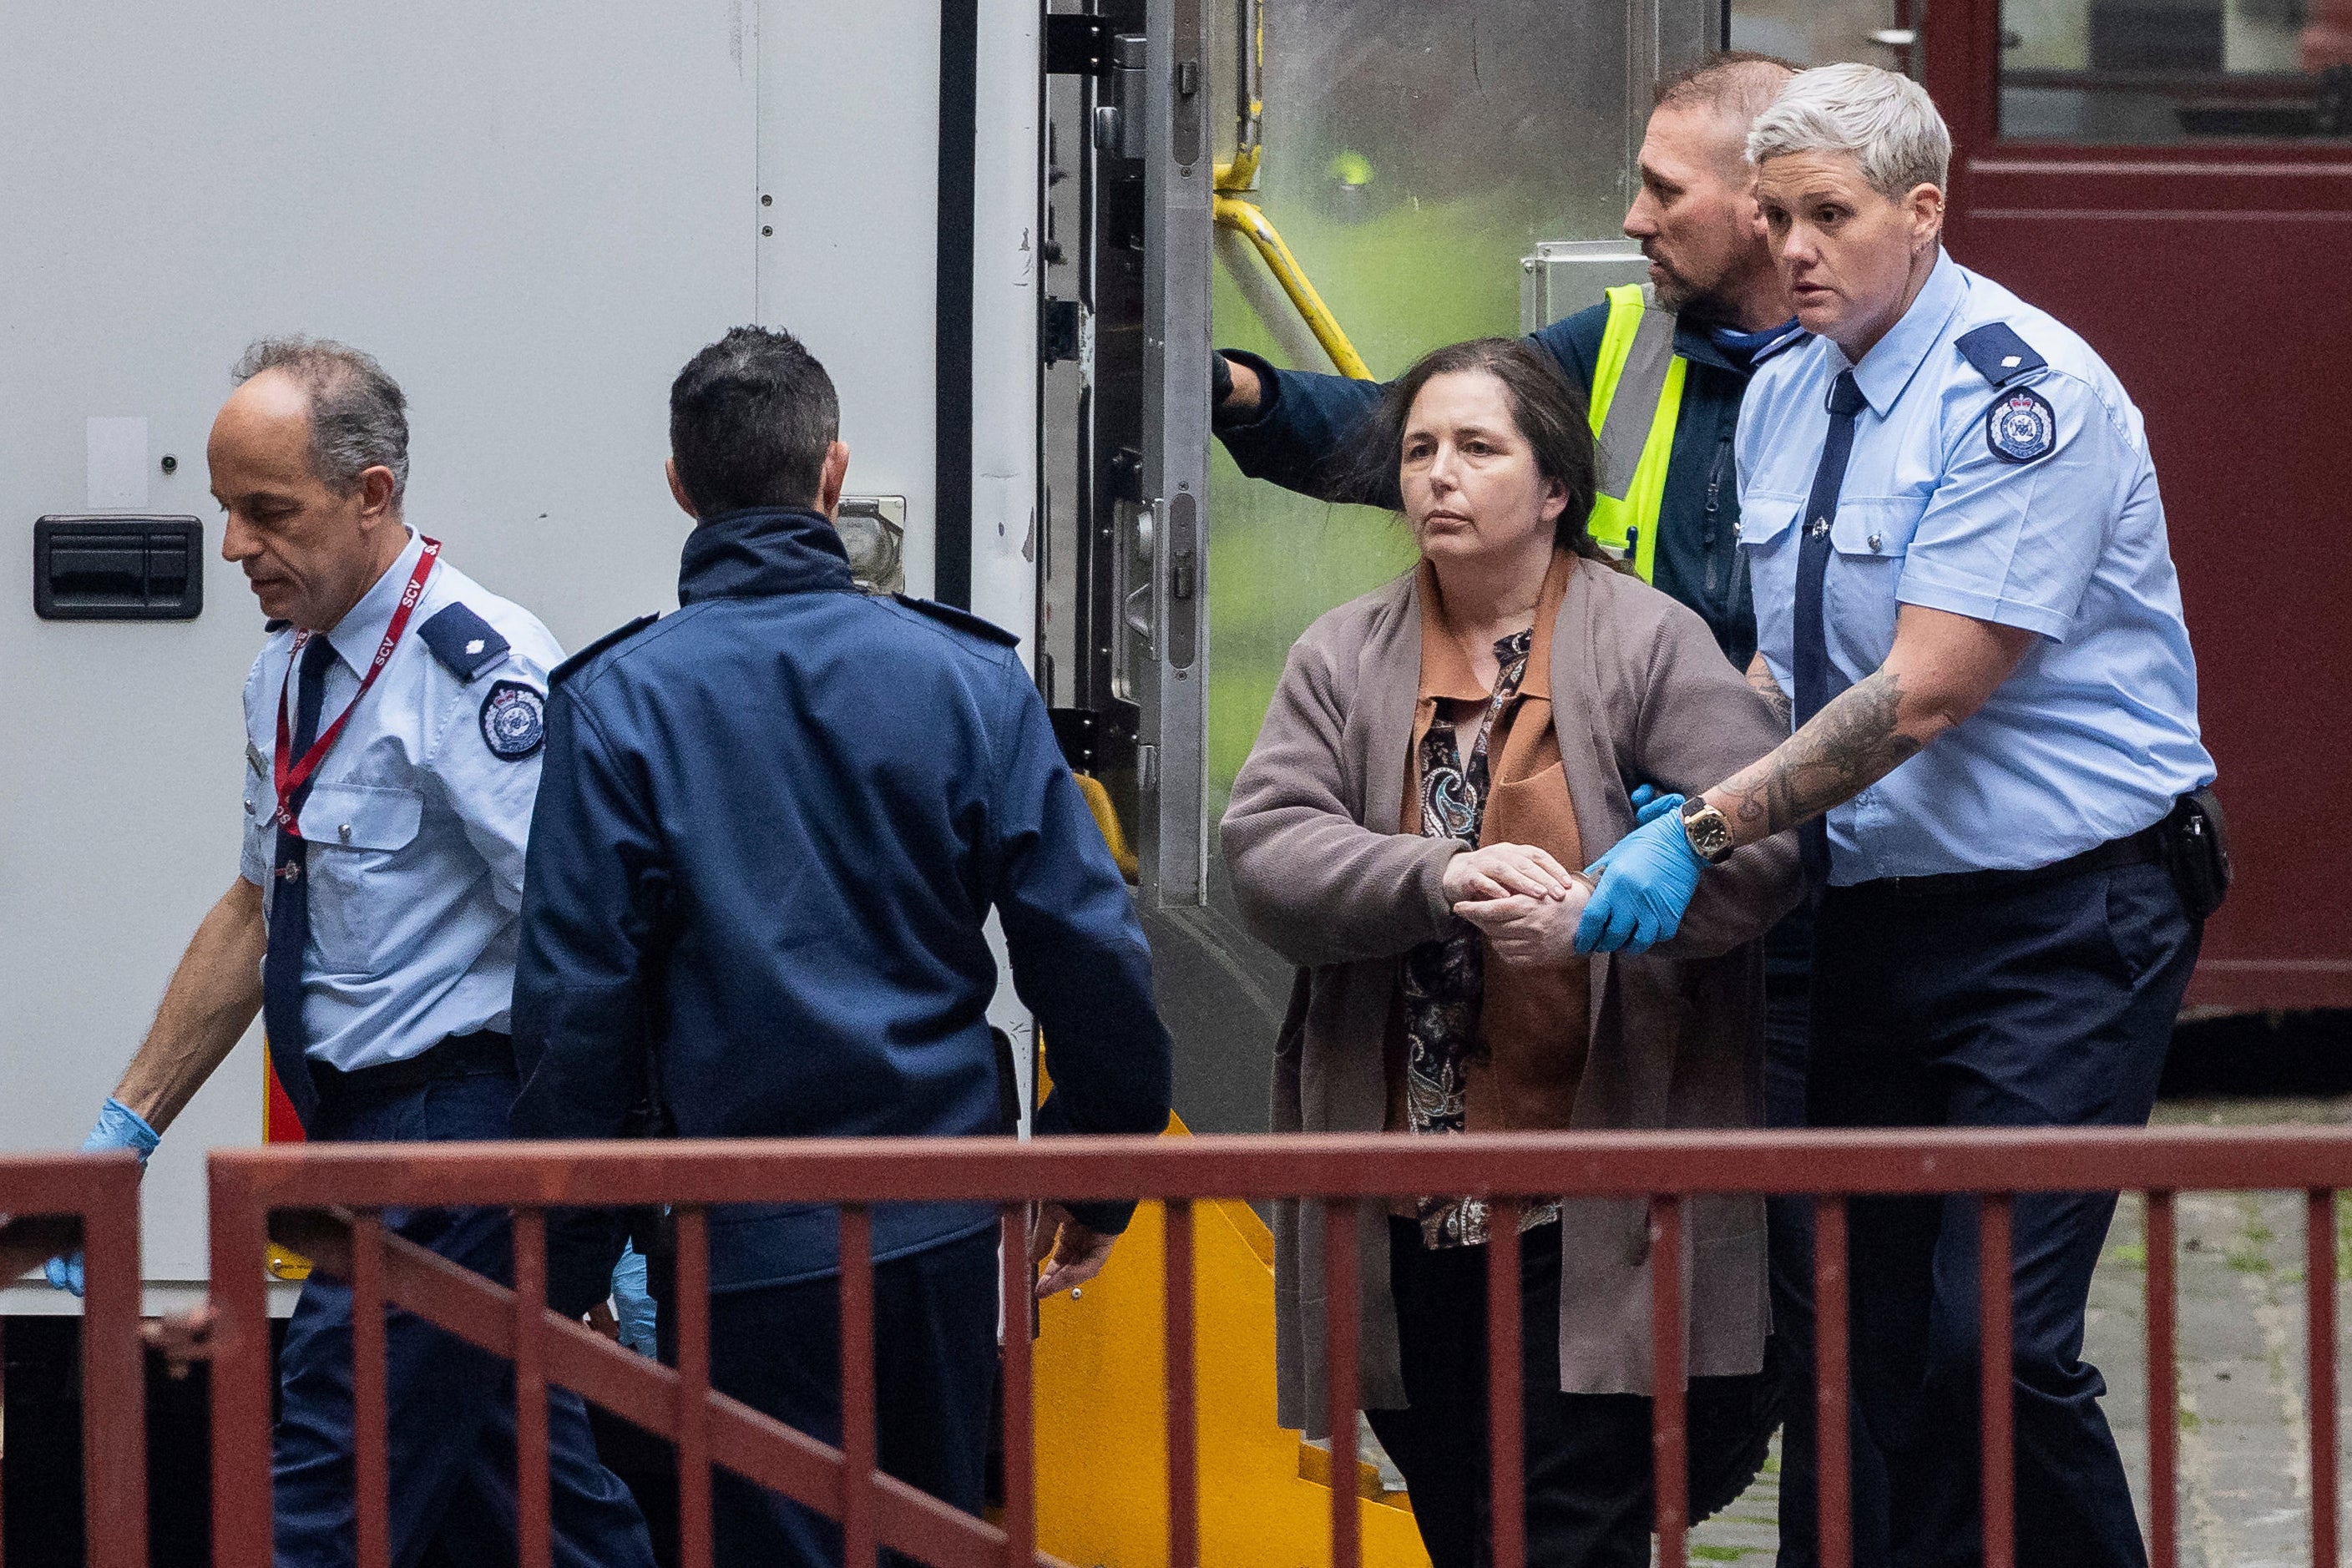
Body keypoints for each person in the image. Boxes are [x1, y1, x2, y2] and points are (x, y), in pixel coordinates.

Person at [1206, 53, 1881, 1565]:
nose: (1630, 219)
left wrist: (1678, 844)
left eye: (1661, 190)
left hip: (1718, 974)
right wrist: (1241, 398)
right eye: (1426, 466)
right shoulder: (1615, 353)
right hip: (1431, 1137)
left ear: (1761, 203)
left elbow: (1806, 794)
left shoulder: (1864, 379)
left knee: (1778, 1329)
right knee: (1479, 1487)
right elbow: (1412, 416)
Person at [1573, 65, 2220, 1568]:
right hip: (1868, 913)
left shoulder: (2021, 394)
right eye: (1773, 215)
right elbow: (1784, 664)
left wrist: (1707, 826)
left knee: (1989, 1337)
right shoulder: (1794, 387)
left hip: (2060, 921)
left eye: (1828, 218)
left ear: (1921, 215)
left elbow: (1923, 691)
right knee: (1858, 1349)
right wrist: (1679, 768)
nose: (1791, 248)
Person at [508, 325, 1176, 1568]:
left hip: (735, 1236)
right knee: (927, 1534)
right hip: (935, 1223)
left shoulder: (620, 703)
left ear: (677, 486)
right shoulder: (967, 681)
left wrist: (574, 1245)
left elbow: (575, 1003)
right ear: (833, 474)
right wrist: (1097, 1169)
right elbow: (1088, 943)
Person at [48, 338, 655, 1568]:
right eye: (225, 513)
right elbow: (256, 907)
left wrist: (621, 1199)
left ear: (371, 494)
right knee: (532, 1486)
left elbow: (589, 939)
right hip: (368, 1137)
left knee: (324, 1485)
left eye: (267, 513)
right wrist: (126, 1129)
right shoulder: (288, 670)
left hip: (450, 1141)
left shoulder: (476, 673)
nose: (234, 550)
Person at [1221, 336, 1803, 1568]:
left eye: (1477, 449)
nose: (1437, 475)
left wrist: (1609, 906)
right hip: (1408, 1204)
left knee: (1560, 1529)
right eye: (1420, 449)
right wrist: (1437, 876)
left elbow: (1765, 850)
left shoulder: (1649, 643)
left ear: (1552, 489)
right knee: (1464, 1526)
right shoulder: (1342, 653)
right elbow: (1266, 850)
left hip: (1583, 1208)